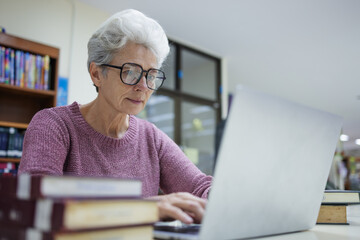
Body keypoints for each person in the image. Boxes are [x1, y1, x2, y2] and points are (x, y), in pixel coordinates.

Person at [18, 9, 212, 224]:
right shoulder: (53, 125)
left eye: (151, 75)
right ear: (97, 73)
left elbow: (200, 187)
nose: (143, 86)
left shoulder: (152, 138)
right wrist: (146, 208)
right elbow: (36, 205)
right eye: (130, 71)